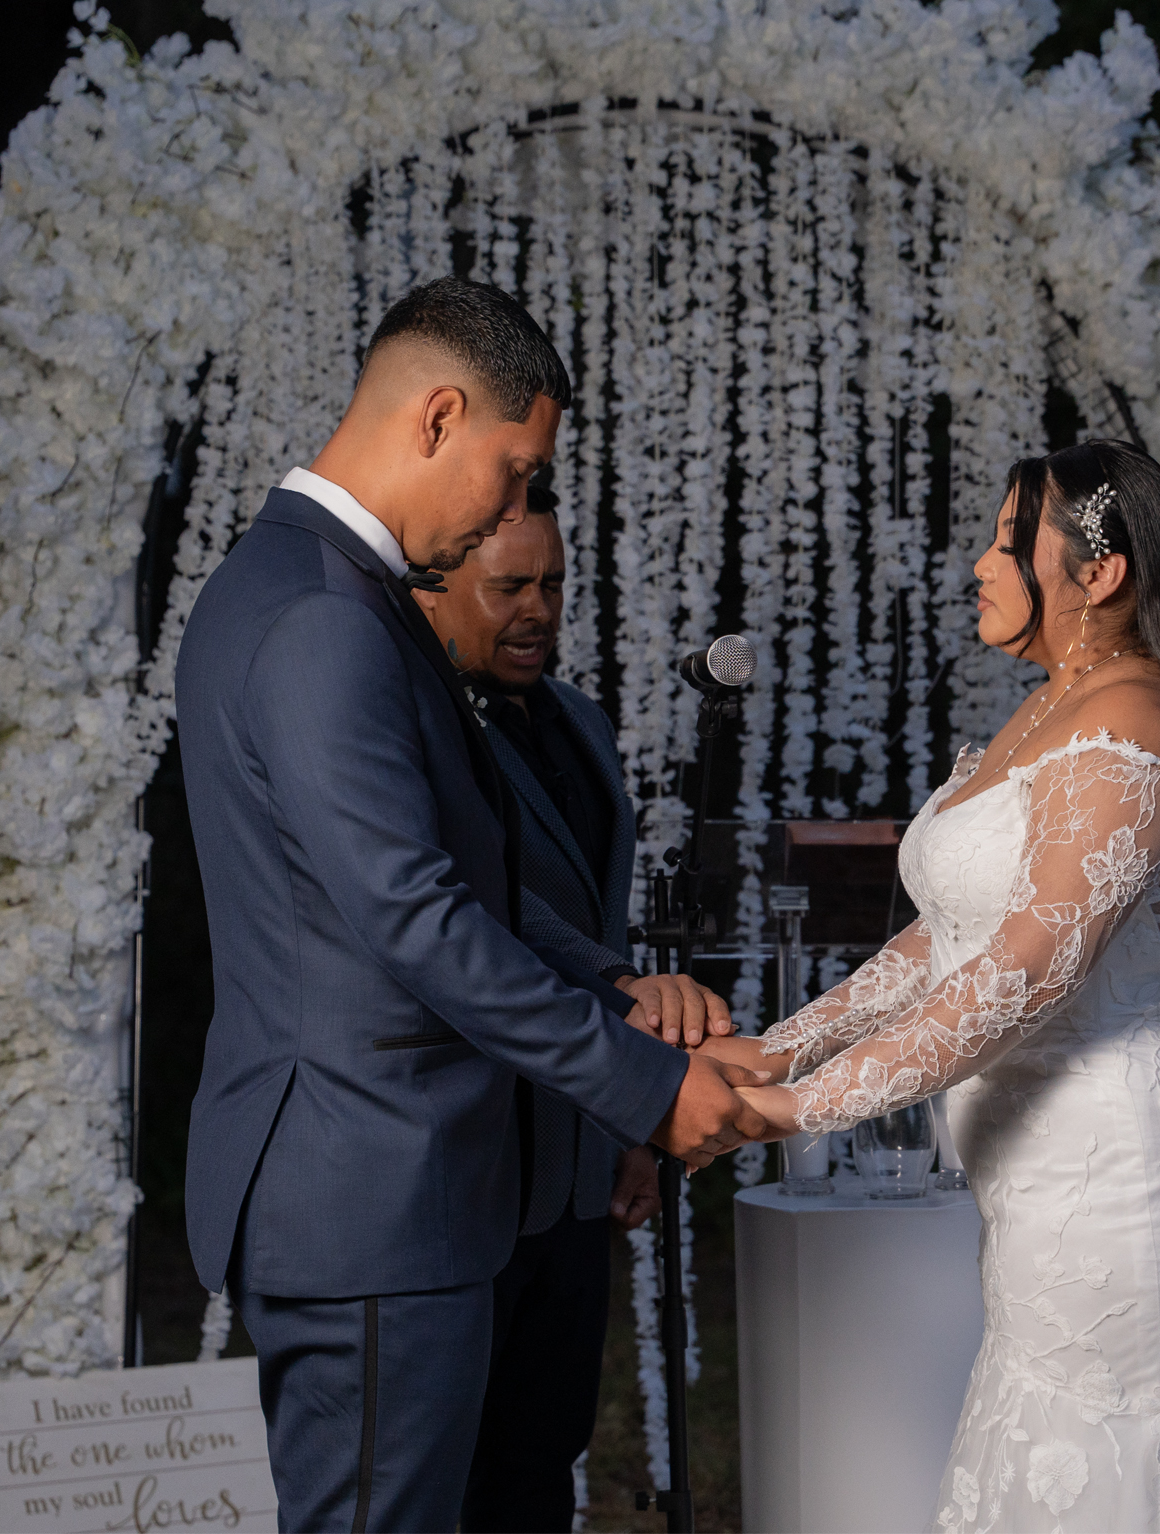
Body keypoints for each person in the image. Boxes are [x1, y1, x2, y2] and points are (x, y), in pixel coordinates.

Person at [174, 276, 769, 1534]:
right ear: (438, 415)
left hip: (391, 1193)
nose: (513, 511)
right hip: (368, 1194)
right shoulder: (324, 617)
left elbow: (466, 880)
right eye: (514, 472)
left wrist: (618, 993)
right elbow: (417, 920)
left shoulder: (326, 591)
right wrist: (647, 1087)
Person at [704, 439, 1160, 1532]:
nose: (980, 564)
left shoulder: (1136, 721)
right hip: (1043, 1186)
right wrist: (779, 1047)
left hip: (1125, 1183)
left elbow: (1026, 969)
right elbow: (945, 941)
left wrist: (793, 1110)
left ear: (1100, 573)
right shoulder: (1052, 706)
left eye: (1009, 541)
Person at [410, 484, 731, 1531]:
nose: (537, 610)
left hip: (574, 1165)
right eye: (509, 586)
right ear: (437, 586)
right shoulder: (415, 728)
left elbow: (602, 923)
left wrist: (627, 1125)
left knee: (544, 1460)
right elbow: (478, 913)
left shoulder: (579, 719)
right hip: (462, 1162)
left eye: (552, 584)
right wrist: (621, 1008)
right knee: (447, 1479)